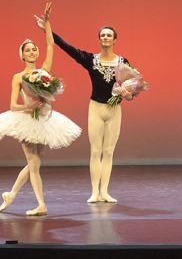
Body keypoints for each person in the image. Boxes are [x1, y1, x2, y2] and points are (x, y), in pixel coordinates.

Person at [0, 5, 81, 216]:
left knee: (33, 163)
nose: (32, 51)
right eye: (27, 50)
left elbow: (51, 45)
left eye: (33, 49)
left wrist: (47, 25)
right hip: (27, 120)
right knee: (34, 164)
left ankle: (10, 194)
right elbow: (12, 105)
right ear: (22, 55)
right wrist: (28, 106)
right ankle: (41, 204)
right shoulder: (18, 77)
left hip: (45, 120)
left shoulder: (43, 71)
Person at [35, 15, 132, 204]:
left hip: (114, 110)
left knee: (109, 151)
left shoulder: (122, 62)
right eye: (102, 35)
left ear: (115, 40)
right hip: (95, 108)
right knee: (96, 151)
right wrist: (47, 29)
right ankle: (95, 191)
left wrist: (126, 92)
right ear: (99, 39)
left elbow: (130, 89)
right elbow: (67, 47)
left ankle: (105, 191)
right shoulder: (91, 60)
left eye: (108, 35)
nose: (105, 38)